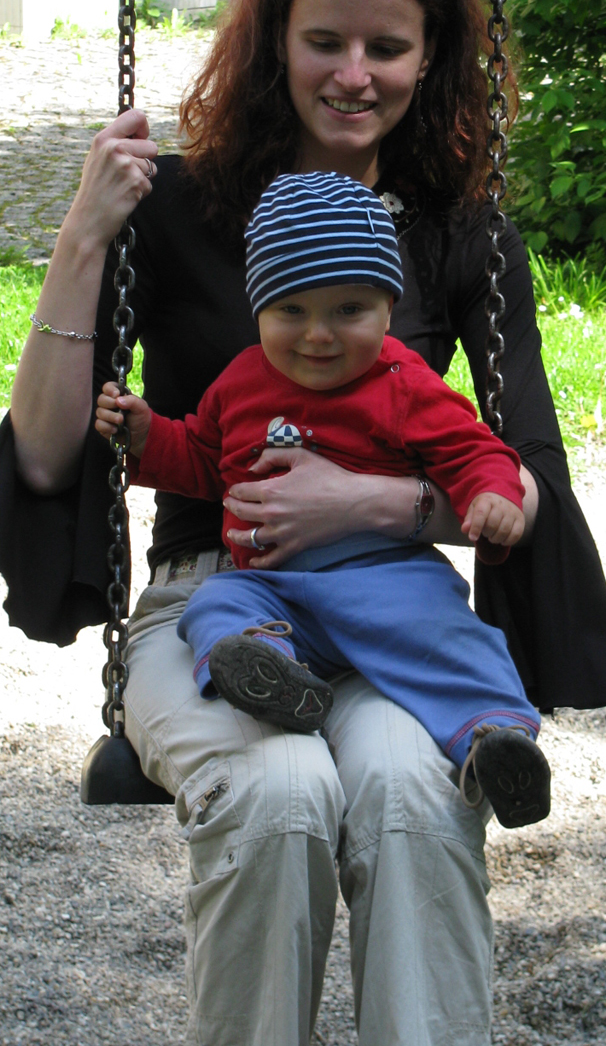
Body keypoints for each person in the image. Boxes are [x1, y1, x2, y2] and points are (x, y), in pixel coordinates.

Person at [0, 0, 606, 1046]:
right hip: (214, 603)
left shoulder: (461, 238)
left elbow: (528, 481)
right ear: (277, 40)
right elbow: (56, 451)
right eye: (326, 40)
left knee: (412, 797)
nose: (354, 75)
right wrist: (83, 235)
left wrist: (376, 503)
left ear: (431, 57)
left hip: (386, 607)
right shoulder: (174, 208)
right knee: (278, 794)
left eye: (388, 47)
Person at [95, 170, 552, 830]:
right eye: (292, 311)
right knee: (215, 605)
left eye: (348, 310)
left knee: (452, 638)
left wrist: (491, 494)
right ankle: (270, 674)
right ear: (258, 310)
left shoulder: (403, 383)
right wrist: (145, 438)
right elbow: (203, 459)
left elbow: (472, 448)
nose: (318, 335)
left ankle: (498, 740)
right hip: (277, 592)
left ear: (388, 309)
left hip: (387, 579)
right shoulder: (241, 383)